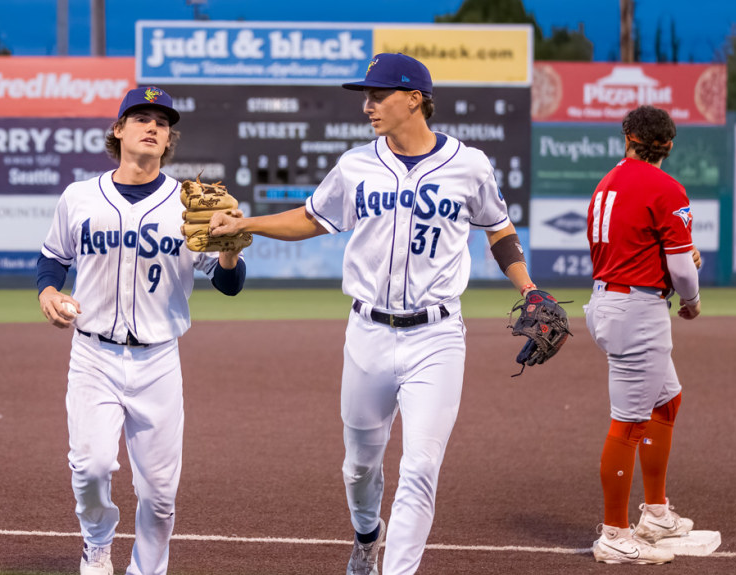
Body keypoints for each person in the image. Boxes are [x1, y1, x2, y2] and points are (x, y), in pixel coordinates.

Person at [210, 53, 557, 575]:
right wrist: (250, 223)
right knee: (359, 469)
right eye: (365, 96)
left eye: (378, 95)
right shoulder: (356, 165)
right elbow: (312, 217)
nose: (367, 105)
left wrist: (529, 287)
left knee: (420, 467)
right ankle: (368, 537)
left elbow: (499, 229)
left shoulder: (470, 164)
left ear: (415, 98)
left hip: (437, 336)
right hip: (367, 333)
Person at [35, 85, 246, 575]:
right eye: (141, 117)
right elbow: (52, 258)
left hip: (158, 361)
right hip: (93, 356)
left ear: (169, 138)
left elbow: (229, 283)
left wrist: (230, 248)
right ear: (118, 129)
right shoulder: (80, 197)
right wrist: (47, 293)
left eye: (162, 121)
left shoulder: (189, 204)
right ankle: (96, 544)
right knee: (89, 470)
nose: (153, 127)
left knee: (160, 492)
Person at [584, 105, 702, 565]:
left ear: (626, 137)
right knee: (629, 423)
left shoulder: (608, 181)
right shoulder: (666, 187)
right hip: (637, 308)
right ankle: (614, 532)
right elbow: (680, 267)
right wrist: (690, 299)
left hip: (610, 300)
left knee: (666, 400)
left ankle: (655, 513)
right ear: (668, 146)